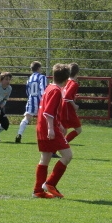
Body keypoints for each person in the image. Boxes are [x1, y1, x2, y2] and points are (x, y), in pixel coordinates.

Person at [33, 63, 73, 198]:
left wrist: (58, 123)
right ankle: (50, 183)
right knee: (68, 156)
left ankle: (38, 191)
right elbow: (48, 112)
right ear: (67, 80)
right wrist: (51, 128)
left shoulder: (49, 87)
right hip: (48, 128)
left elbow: (48, 111)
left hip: (41, 126)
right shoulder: (56, 91)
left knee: (45, 158)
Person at [16, 61, 46, 144]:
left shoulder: (29, 79)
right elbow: (43, 90)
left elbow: (27, 91)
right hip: (40, 101)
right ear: (39, 68)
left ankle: (19, 134)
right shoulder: (42, 77)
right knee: (44, 119)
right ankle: (43, 137)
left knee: (26, 118)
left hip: (31, 100)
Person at [59, 63, 82, 144]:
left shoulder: (65, 81)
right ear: (77, 72)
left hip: (61, 107)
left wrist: (73, 96)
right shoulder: (74, 83)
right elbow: (67, 96)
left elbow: (63, 93)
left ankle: (54, 150)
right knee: (78, 130)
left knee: (63, 130)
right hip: (68, 109)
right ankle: (63, 144)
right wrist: (74, 105)